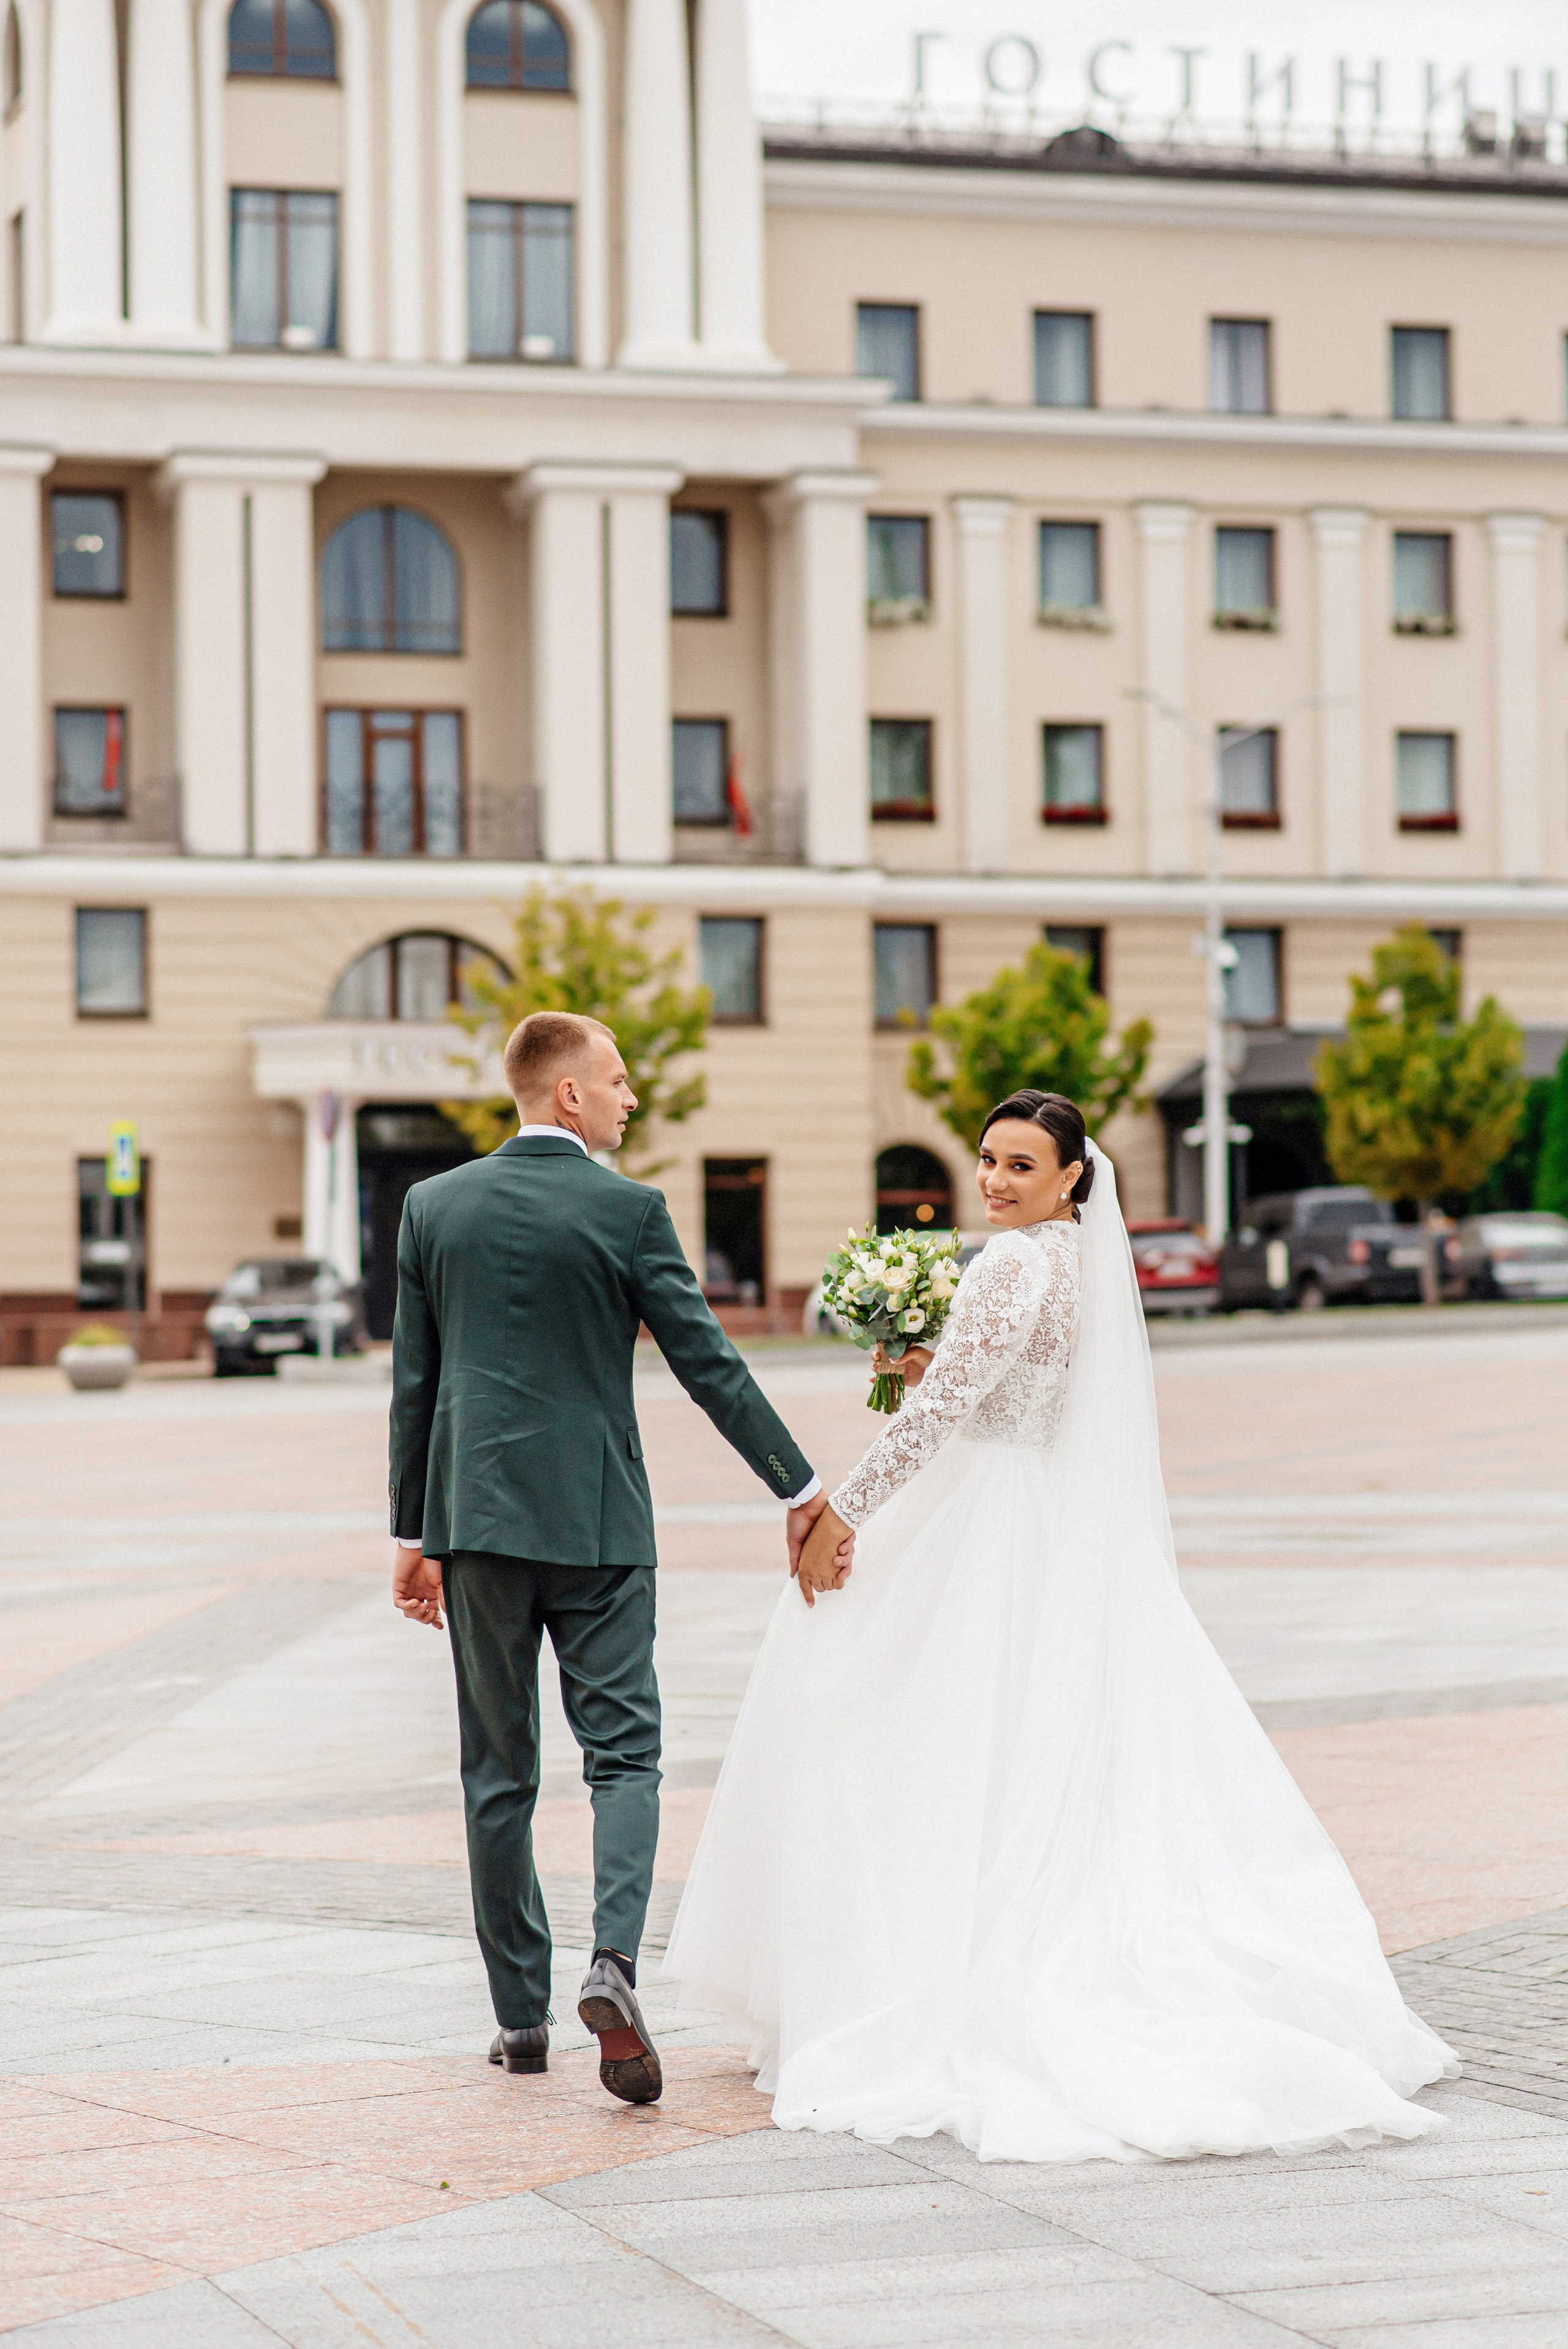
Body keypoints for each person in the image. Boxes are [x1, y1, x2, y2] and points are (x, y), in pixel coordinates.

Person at [666, 1090, 1457, 2163]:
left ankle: (910, 1964)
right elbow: (1015, 1384)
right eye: (988, 1160)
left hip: (986, 1516)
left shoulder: (1009, 1261)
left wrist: (842, 1510)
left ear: (1073, 1176)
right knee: (1026, 1737)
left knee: (896, 1709)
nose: (995, 1181)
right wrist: (929, 1360)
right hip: (1047, 1513)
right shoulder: (1081, 1258)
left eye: (1022, 1166)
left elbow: (945, 1413)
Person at [389, 1010, 828, 2106]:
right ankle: (613, 1966)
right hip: (598, 1524)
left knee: (498, 1772)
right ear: (570, 1093)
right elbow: (707, 1362)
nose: (633, 1098)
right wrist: (800, 1485)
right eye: (620, 1081)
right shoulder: (628, 1210)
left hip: (474, 1524)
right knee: (625, 1757)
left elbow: (415, 1384)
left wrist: (412, 1534)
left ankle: (519, 2017)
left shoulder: (433, 1206)